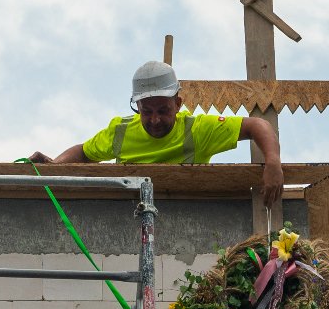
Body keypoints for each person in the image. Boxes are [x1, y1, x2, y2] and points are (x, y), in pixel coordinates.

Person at [29, 61, 284, 207]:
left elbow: (258, 126)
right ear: (136, 107)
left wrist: (272, 162)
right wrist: (55, 164)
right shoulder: (121, 131)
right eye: (146, 111)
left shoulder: (197, 129)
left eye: (163, 110)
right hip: (135, 217)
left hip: (186, 212)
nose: (155, 120)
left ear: (178, 103)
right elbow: (84, 152)